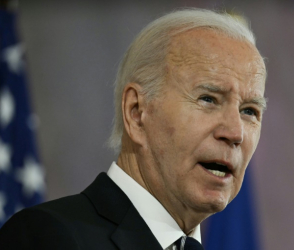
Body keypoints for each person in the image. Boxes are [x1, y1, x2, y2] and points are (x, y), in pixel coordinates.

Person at [0, 8, 267, 250]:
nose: (235, 133)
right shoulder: (49, 238)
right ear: (137, 112)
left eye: (249, 111)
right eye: (208, 99)